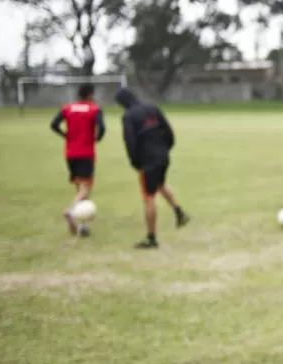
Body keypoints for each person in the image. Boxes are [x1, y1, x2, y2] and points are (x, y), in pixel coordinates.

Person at [114, 88, 190, 248]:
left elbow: (130, 142)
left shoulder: (128, 116)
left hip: (148, 160)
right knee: (160, 184)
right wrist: (165, 149)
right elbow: (168, 132)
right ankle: (179, 212)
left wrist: (135, 162)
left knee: (148, 197)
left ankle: (151, 238)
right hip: (163, 156)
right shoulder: (153, 108)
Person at [50, 83, 105, 237]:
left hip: (70, 153)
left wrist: (65, 135)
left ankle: (82, 226)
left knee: (79, 188)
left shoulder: (67, 108)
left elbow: (54, 124)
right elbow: (102, 127)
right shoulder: (95, 109)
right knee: (85, 189)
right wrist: (97, 138)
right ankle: (71, 211)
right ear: (90, 94)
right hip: (86, 153)